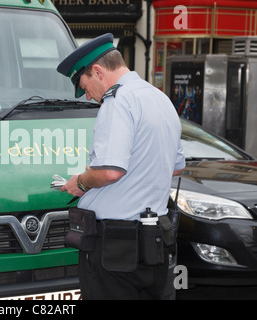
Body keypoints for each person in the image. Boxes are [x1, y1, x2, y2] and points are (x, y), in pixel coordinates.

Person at [57, 33, 185, 300]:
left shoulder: (118, 101)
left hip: (116, 248)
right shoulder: (160, 99)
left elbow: (110, 171)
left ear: (97, 71)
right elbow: (175, 168)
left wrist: (80, 182)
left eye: (85, 86)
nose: (89, 97)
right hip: (155, 243)